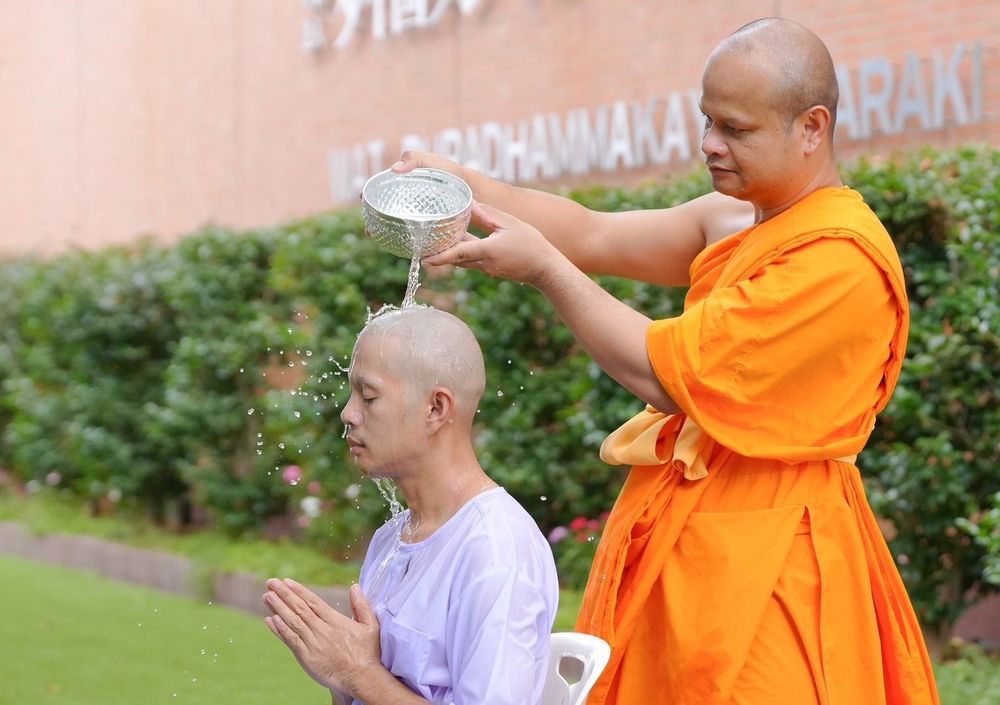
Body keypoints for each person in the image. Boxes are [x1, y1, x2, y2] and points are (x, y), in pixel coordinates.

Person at [396, 16, 940, 705]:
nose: (710, 144)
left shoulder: (838, 260)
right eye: (706, 120)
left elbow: (664, 373)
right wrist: (460, 184)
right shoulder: (737, 216)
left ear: (812, 126)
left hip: (775, 556)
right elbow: (591, 233)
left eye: (736, 129)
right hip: (682, 538)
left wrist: (545, 272)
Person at [262, 307, 559, 705]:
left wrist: (357, 672)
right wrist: (341, 675)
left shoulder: (494, 552)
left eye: (368, 396)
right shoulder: (392, 538)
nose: (348, 414)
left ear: (436, 409)